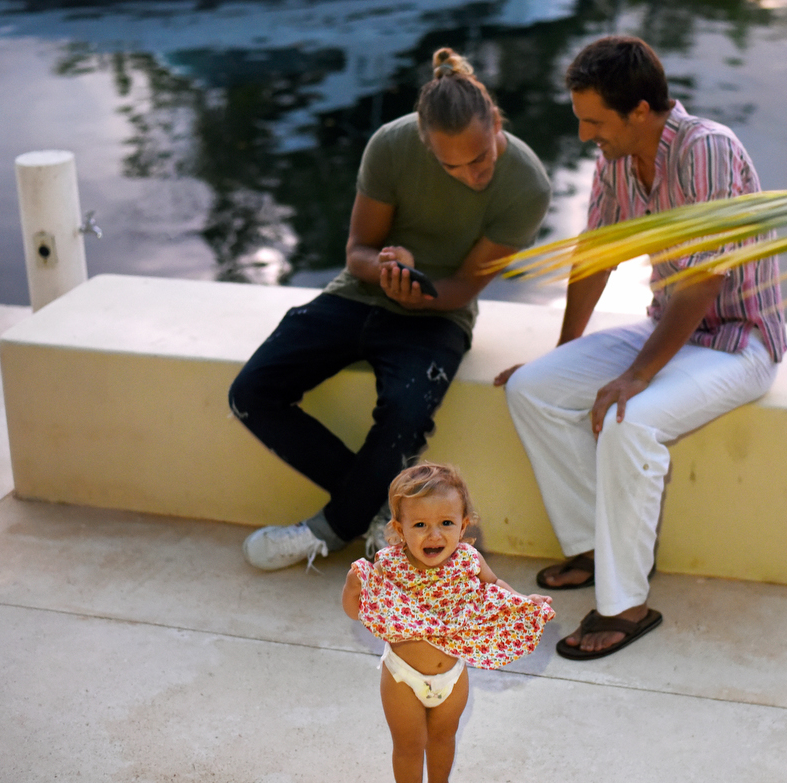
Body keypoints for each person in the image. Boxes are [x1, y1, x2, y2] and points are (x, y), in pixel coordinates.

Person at [497, 36, 787, 660]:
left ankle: (626, 602)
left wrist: (635, 376)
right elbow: (594, 258)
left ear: (640, 112)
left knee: (629, 421)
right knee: (532, 389)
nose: (584, 136)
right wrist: (561, 354)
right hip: (671, 329)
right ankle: (595, 546)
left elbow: (705, 281)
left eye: (594, 121)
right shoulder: (619, 156)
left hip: (739, 341)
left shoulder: (705, 148)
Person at [229, 48, 551, 570]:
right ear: (425, 145)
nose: (472, 174)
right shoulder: (391, 145)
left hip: (441, 313)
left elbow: (467, 284)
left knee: (405, 410)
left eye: (481, 159)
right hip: (357, 295)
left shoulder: (527, 186)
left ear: (495, 123)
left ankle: (328, 531)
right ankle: (386, 512)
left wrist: (420, 294)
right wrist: (386, 271)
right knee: (251, 392)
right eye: (453, 165)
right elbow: (357, 250)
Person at [341, 463, 554, 783]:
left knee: (444, 736)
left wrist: (523, 602)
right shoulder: (389, 566)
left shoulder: (469, 562)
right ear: (398, 529)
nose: (434, 534)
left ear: (464, 523)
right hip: (403, 677)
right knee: (409, 745)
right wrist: (353, 588)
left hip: (451, 677)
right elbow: (359, 611)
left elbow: (495, 590)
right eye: (419, 525)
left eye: (446, 523)